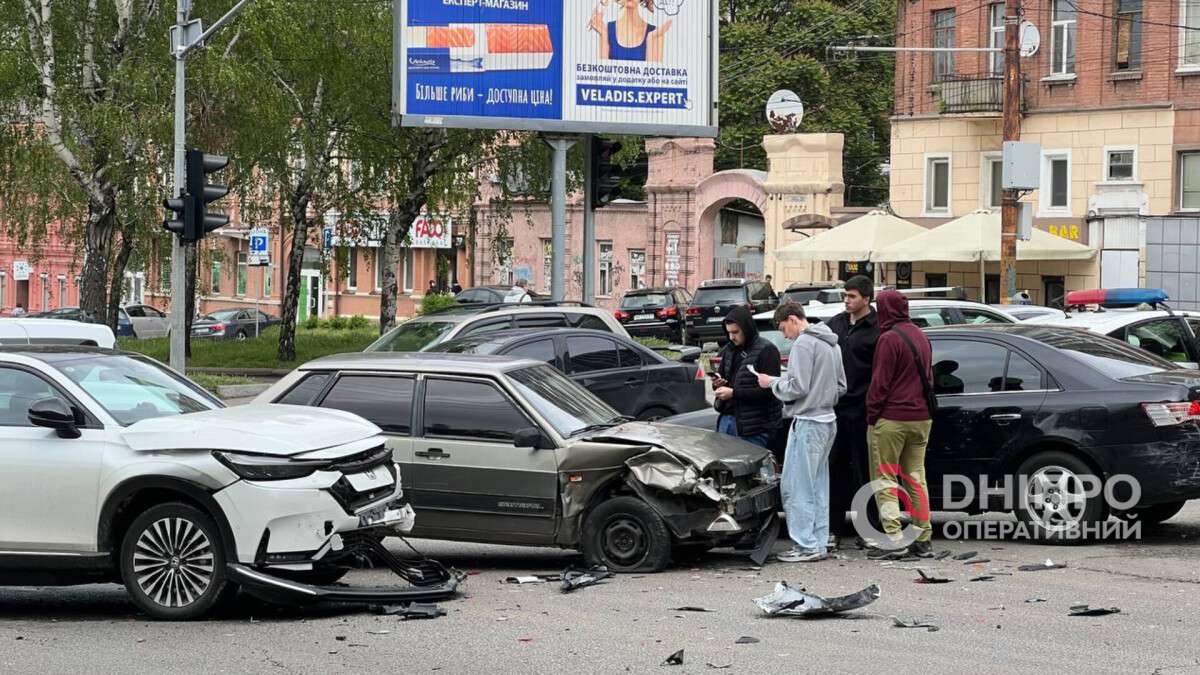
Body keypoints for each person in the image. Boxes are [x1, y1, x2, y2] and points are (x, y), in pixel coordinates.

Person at [757, 302, 845, 563]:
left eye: (784, 328)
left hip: (808, 422)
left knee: (797, 487)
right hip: (828, 419)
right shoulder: (832, 343)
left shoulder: (804, 344)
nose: (785, 335)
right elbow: (841, 386)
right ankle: (817, 542)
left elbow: (797, 386)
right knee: (818, 486)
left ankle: (805, 545)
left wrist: (771, 382)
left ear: (794, 319)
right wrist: (822, 394)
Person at [865, 290, 935, 559]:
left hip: (892, 418)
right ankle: (923, 537)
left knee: (885, 479)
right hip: (922, 418)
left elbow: (879, 384)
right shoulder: (921, 335)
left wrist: (872, 416)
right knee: (917, 479)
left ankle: (894, 539)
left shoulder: (889, 339)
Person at [823, 275, 880, 548]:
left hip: (862, 410)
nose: (847, 300)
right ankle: (833, 530)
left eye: (852, 296)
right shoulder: (836, 323)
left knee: (863, 472)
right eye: (845, 295)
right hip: (835, 408)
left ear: (867, 299)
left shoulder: (877, 328)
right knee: (834, 470)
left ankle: (867, 529)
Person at [712, 306, 781, 449]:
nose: (731, 337)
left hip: (755, 427)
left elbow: (770, 392)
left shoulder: (767, 350)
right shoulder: (729, 350)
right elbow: (724, 378)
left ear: (746, 328)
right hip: (727, 419)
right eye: (728, 332)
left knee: (753, 470)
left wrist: (733, 393)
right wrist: (718, 384)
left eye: (735, 332)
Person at [589, 0, 672, 62]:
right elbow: (603, 79)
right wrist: (604, 35)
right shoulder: (606, 29)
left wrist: (650, 39)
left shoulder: (655, 33)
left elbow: (653, 82)